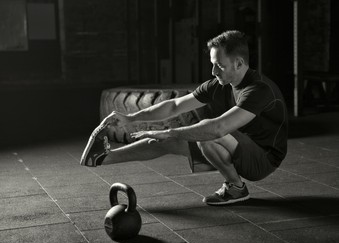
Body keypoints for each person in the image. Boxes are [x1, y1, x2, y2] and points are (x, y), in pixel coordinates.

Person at [80, 30, 288, 206]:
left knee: (204, 132)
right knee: (166, 142)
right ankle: (103, 158)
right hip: (236, 146)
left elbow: (217, 128)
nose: (213, 71)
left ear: (239, 63)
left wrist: (169, 131)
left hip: (263, 159)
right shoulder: (219, 84)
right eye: (212, 64)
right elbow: (174, 105)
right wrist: (130, 118)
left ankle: (236, 187)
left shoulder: (259, 90)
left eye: (220, 65)